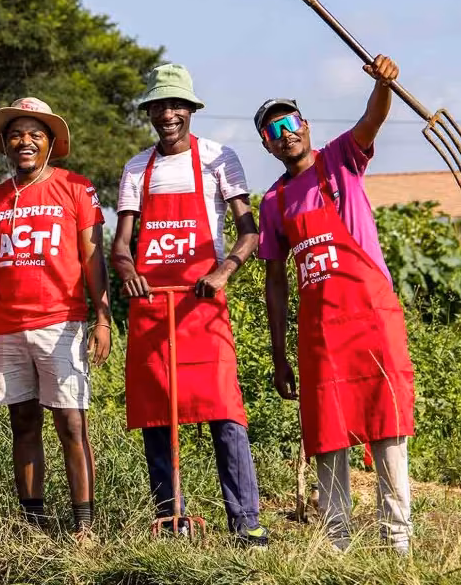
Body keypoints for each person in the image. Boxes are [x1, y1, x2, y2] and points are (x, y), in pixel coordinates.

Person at [258, 54, 414, 554]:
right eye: (273, 130)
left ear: (305, 125)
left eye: (290, 122)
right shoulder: (274, 202)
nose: (285, 133)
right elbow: (276, 282)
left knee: (388, 423)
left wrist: (383, 84)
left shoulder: (341, 158)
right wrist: (279, 355)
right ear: (267, 145)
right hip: (320, 334)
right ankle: (336, 545)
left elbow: (373, 117)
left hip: (372, 317)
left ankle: (397, 542)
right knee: (326, 432)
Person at [110, 64, 268, 546]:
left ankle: (246, 522)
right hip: (153, 307)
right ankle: (170, 520)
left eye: (177, 105)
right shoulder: (137, 168)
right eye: (160, 106)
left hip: (202, 304)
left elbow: (249, 232)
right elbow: (121, 245)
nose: (168, 114)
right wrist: (129, 272)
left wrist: (222, 273)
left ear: (191, 110)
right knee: (157, 417)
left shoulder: (219, 158)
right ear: (150, 112)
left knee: (225, 412)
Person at [0, 97, 111, 540]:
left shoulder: (76, 188)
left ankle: (84, 528)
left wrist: (102, 318)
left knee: (71, 424)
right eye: (16, 135)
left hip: (62, 324)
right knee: (23, 425)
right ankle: (33, 526)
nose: (24, 142)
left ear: (50, 143)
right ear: (6, 144)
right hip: (9, 329)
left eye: (35, 135)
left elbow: (93, 259)